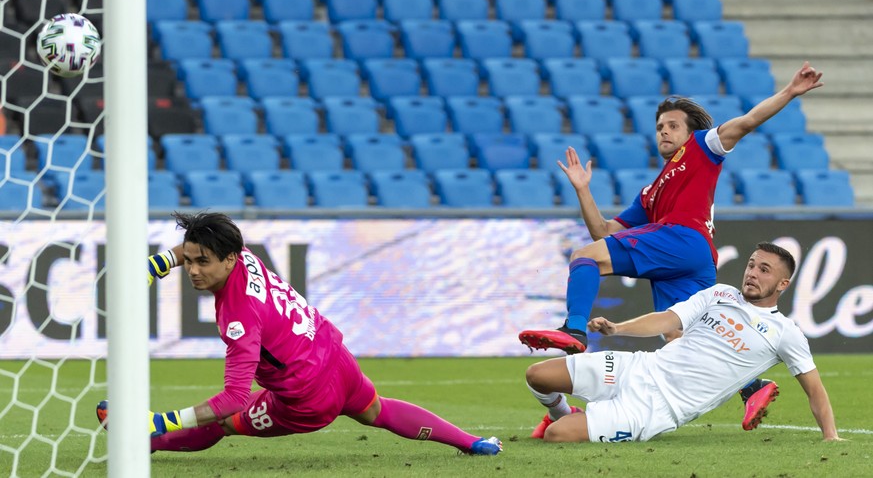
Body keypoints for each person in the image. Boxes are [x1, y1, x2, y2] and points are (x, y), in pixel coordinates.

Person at [519, 61, 824, 430]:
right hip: (695, 259)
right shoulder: (652, 192)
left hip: (683, 237)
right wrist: (583, 189)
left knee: (584, 257)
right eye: (660, 127)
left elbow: (745, 122)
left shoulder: (703, 147)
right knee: (681, 335)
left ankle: (574, 330)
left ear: (690, 130)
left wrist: (790, 92)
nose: (664, 131)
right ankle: (752, 388)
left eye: (672, 125)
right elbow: (603, 230)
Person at [97, 212, 502, 456]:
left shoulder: (238, 317)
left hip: (306, 399)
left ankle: (141, 440)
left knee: (223, 422)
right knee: (377, 410)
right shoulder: (245, 255)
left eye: (202, 263)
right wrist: (159, 263)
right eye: (189, 261)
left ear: (230, 259)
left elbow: (233, 399)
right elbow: (193, 247)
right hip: (335, 359)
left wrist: (162, 420)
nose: (193, 270)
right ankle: (472, 442)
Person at [524, 242, 841, 443]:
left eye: (764, 270)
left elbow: (815, 388)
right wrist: (617, 327)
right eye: (751, 265)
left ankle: (572, 421)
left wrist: (831, 436)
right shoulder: (720, 294)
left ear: (782, 284)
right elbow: (667, 320)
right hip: (637, 367)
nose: (753, 273)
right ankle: (561, 411)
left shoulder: (785, 333)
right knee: (537, 375)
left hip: (655, 407)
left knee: (557, 436)